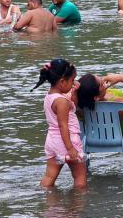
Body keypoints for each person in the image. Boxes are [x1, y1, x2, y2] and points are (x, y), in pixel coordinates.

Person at [34, 58, 86, 189]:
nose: (73, 83)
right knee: (80, 177)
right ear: (62, 82)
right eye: (72, 80)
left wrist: (74, 92)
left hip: (52, 141)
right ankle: (78, 201)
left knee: (49, 177)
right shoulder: (62, 101)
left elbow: (72, 106)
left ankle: (47, 199)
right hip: (67, 140)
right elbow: (63, 125)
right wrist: (70, 148)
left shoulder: (50, 97)